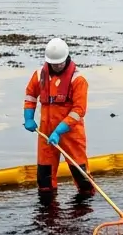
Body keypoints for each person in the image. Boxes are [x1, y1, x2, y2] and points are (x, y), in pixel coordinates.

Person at [23, 37, 94, 202]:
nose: (56, 66)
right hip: (46, 133)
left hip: (70, 133)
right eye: (53, 64)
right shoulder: (40, 74)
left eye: (59, 63)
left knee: (81, 174)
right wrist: (28, 117)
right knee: (44, 178)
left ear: (66, 58)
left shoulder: (78, 80)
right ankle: (48, 213)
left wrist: (60, 129)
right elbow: (30, 95)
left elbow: (79, 110)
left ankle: (85, 205)